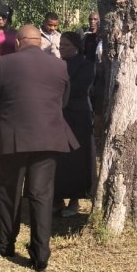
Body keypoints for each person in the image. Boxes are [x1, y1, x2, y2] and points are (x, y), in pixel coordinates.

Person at [0, 25, 79, 271]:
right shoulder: (60, 65)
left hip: (14, 135)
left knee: (10, 191)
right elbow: (63, 102)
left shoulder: (4, 63)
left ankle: (5, 244)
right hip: (48, 136)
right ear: (40, 41)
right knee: (41, 194)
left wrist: (2, 119)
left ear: (18, 42)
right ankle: (41, 254)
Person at [54, 32, 95, 217]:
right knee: (59, 158)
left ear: (76, 48)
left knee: (77, 158)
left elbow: (79, 88)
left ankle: (74, 200)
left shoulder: (87, 66)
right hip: (59, 114)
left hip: (78, 116)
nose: (61, 48)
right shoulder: (57, 65)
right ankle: (57, 198)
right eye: (60, 45)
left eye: (65, 45)